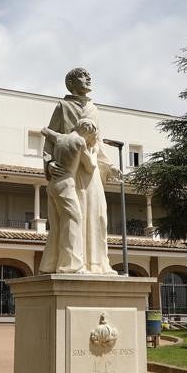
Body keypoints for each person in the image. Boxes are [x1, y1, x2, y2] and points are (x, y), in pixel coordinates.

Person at [38, 68, 116, 274]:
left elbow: (99, 143)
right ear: (72, 82)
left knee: (97, 217)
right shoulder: (62, 106)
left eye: (89, 75)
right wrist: (48, 163)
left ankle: (97, 264)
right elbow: (50, 140)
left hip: (91, 174)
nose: (89, 78)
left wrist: (110, 165)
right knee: (73, 218)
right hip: (69, 173)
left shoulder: (94, 109)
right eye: (83, 76)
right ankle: (70, 264)